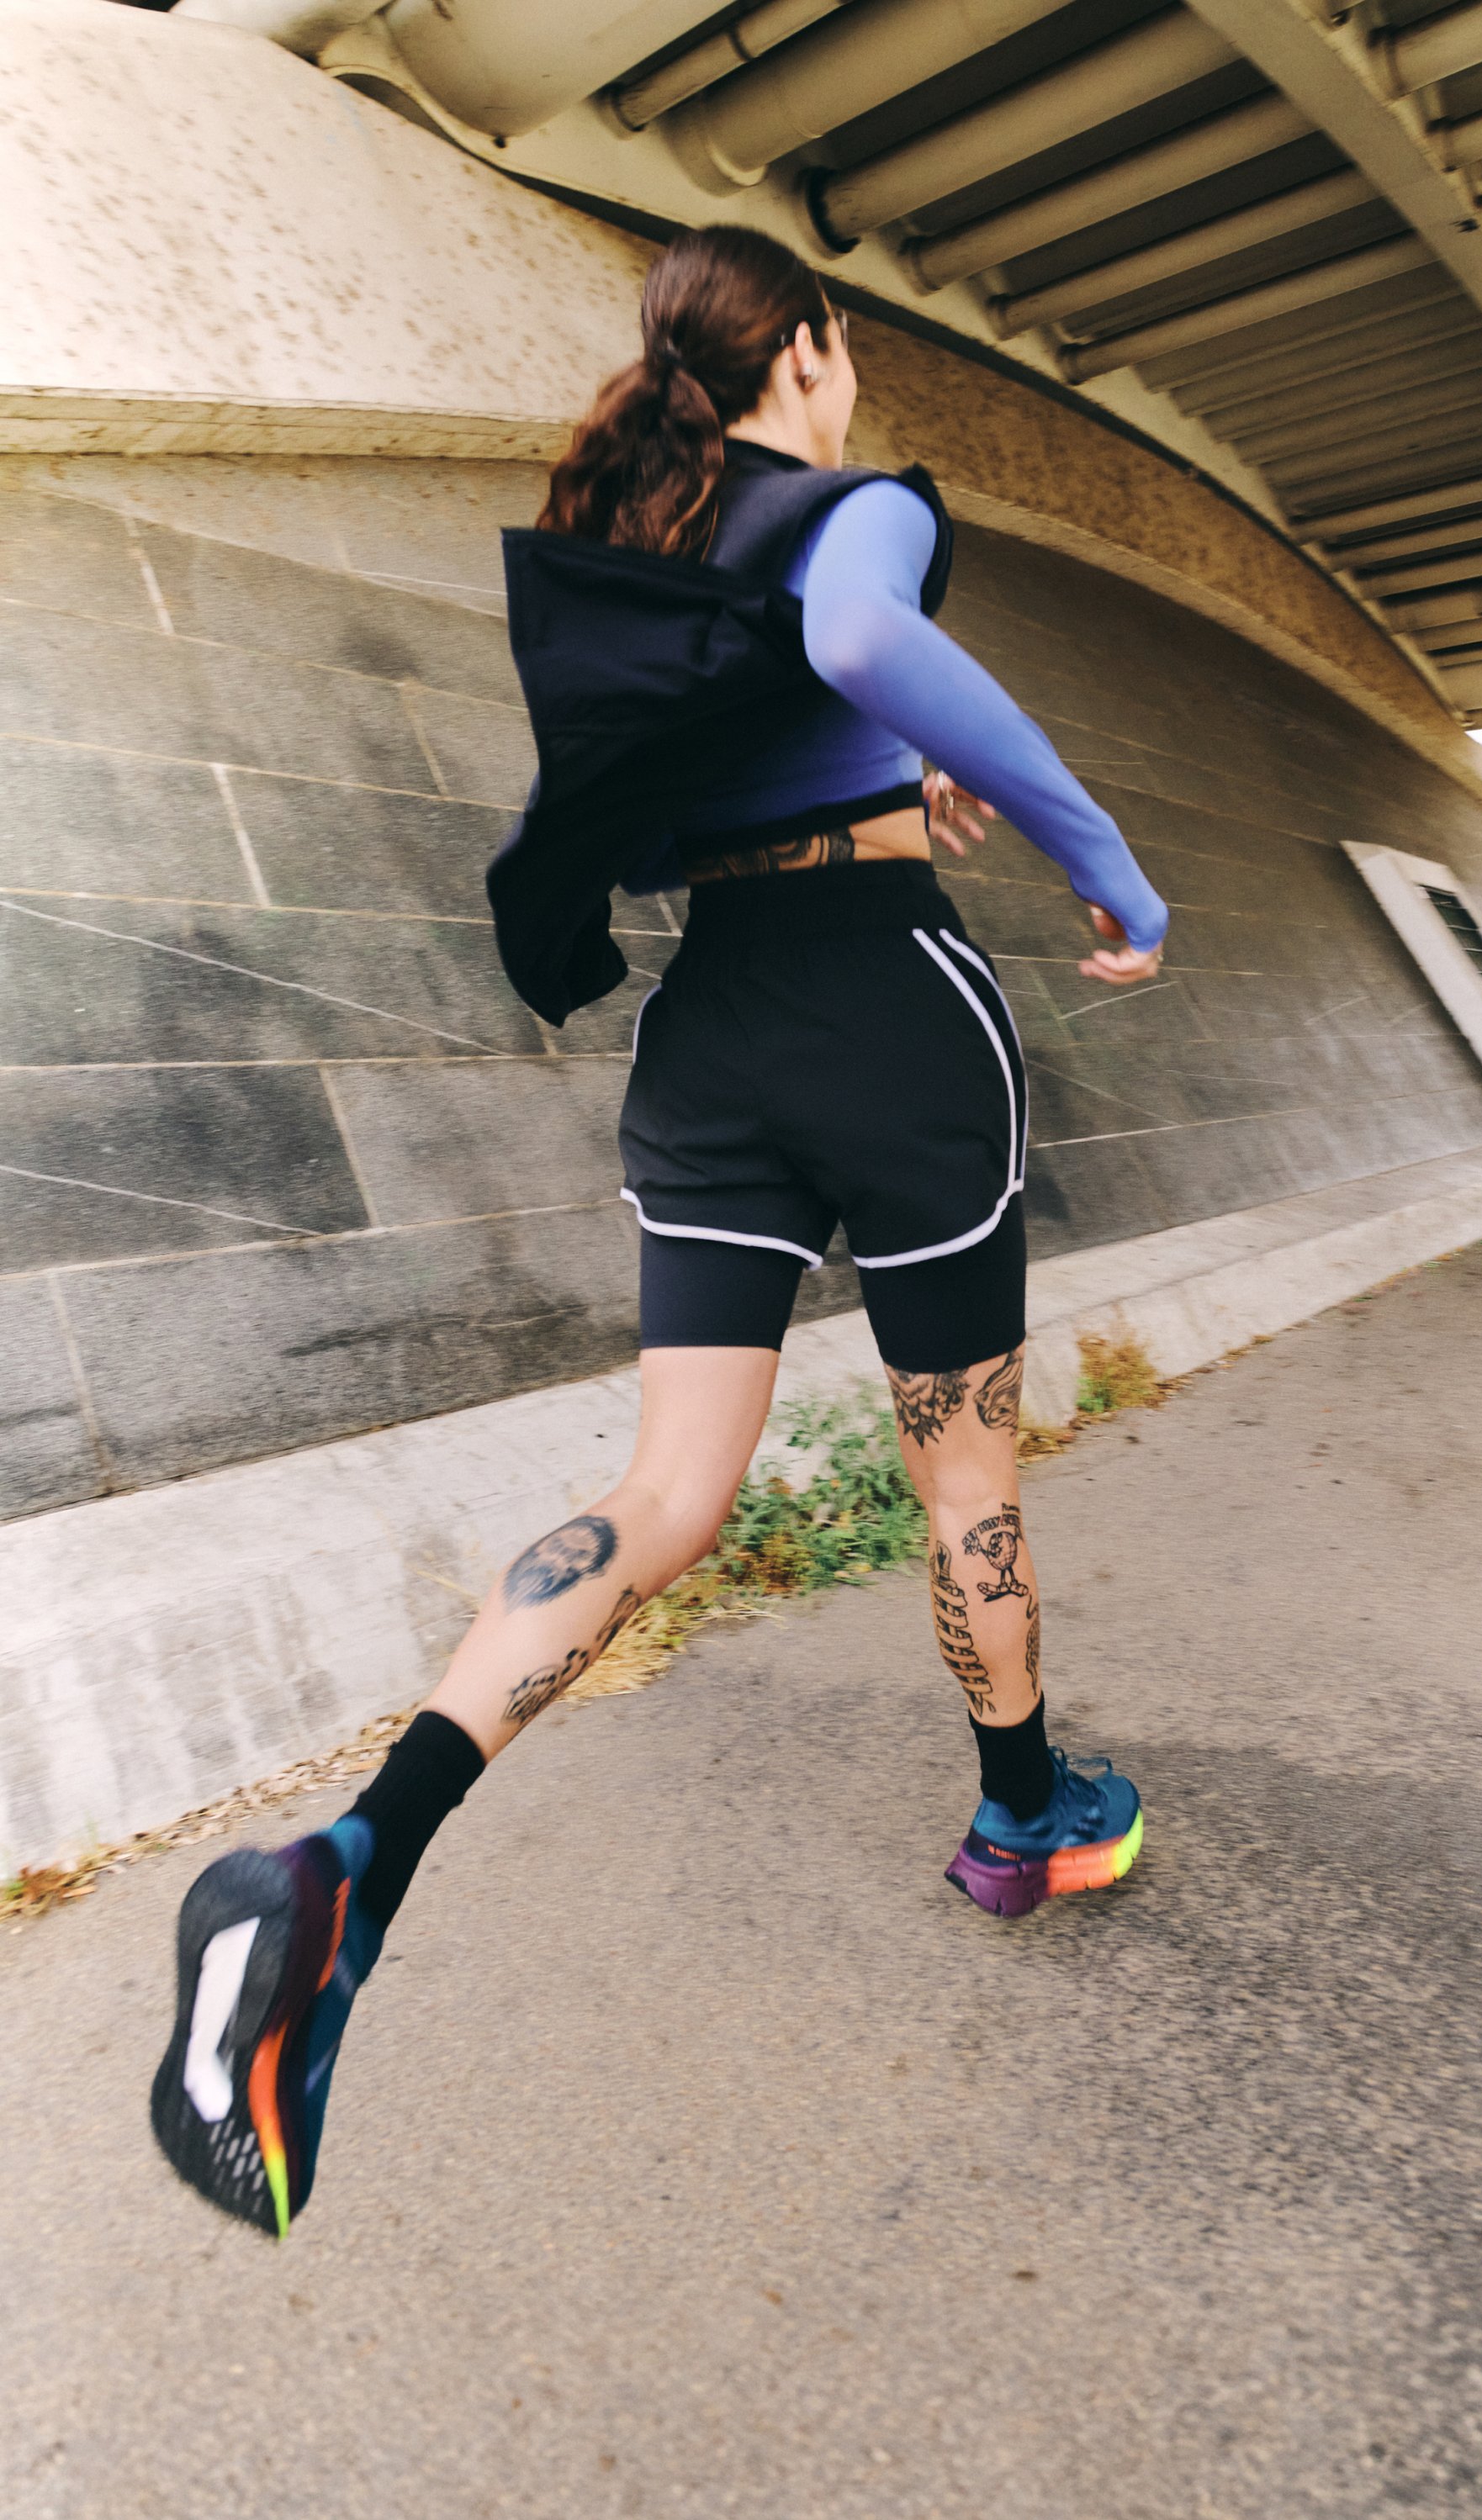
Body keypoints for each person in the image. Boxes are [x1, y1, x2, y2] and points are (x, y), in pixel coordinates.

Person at [151, 226, 1170, 2237]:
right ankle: (1024, 1811)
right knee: (959, 1451)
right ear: (810, 350)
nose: (854, 379)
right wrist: (1106, 858)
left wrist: (907, 767)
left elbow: (782, 728)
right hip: (890, 1011)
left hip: (713, 1033)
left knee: (664, 1487)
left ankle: (345, 1860)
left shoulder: (656, 555)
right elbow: (868, 644)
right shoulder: (855, 504)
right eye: (845, 347)